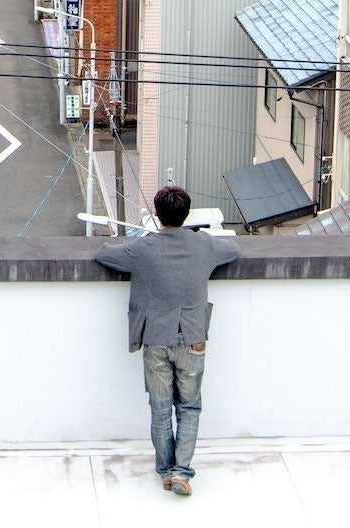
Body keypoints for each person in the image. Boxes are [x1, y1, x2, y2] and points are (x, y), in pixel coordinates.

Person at [94, 185, 241, 497]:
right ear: (186, 214)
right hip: (193, 336)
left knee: (160, 409)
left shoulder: (144, 249)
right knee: (189, 407)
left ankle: (164, 471)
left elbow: (104, 253)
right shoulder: (204, 244)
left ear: (158, 215)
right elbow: (234, 250)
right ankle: (181, 473)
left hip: (156, 337)